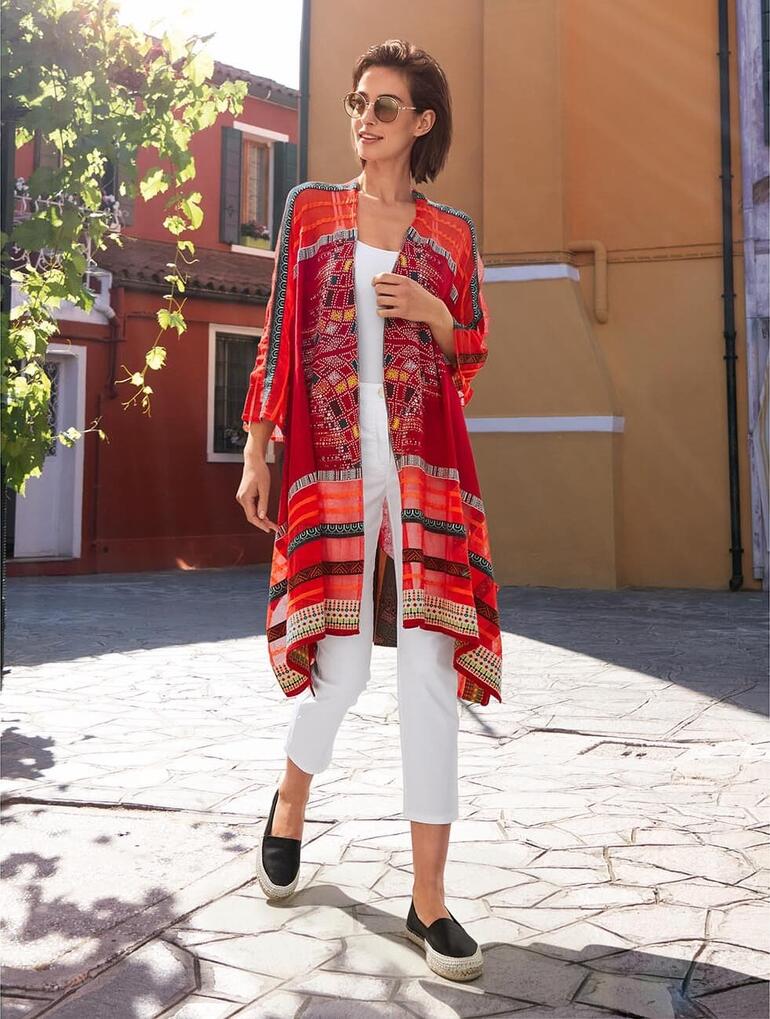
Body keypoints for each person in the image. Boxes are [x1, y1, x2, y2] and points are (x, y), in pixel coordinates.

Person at [236, 38, 502, 982]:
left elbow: (469, 351)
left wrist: (434, 312)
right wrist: (261, 447)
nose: (364, 118)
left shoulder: (455, 235)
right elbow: (275, 332)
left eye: (385, 106)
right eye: (357, 102)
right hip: (333, 466)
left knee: (429, 669)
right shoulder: (312, 212)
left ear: (421, 123)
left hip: (427, 465)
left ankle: (429, 902)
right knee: (342, 672)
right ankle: (290, 800)